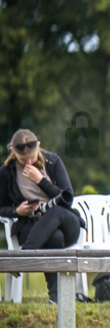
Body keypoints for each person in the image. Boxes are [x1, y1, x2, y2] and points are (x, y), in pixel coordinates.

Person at [0, 129, 84, 303]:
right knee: (54, 237)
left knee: (56, 210)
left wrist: (41, 181)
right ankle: (56, 297)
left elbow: (67, 199)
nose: (28, 162)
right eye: (23, 160)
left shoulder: (53, 161)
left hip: (66, 222)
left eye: (32, 157)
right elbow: (1, 207)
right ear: (13, 151)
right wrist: (17, 211)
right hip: (32, 227)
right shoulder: (7, 172)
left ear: (38, 146)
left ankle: (22, 258)